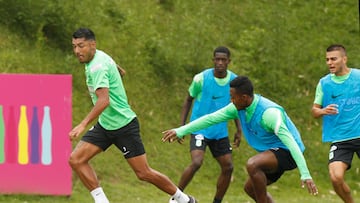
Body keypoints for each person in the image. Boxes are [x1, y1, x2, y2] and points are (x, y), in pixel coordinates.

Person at [68, 27, 197, 203]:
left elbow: (103, 101)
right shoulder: (99, 56)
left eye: (81, 46)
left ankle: (184, 199)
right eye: (74, 46)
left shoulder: (97, 67)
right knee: (76, 160)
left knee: (143, 173)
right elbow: (116, 69)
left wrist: (82, 125)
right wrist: (117, 70)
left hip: (124, 126)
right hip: (106, 125)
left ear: (92, 44)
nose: (77, 51)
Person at [163, 76, 318, 202]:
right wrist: (180, 130)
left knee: (253, 164)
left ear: (244, 97)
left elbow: (291, 142)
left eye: (233, 97)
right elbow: (210, 119)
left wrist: (305, 174)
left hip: (289, 152)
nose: (231, 101)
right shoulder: (238, 107)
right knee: (250, 189)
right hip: (274, 152)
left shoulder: (269, 114)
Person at [175, 46, 241, 203]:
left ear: (228, 62)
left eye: (223, 60)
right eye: (217, 59)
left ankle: (217, 201)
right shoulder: (201, 79)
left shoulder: (234, 81)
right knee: (197, 162)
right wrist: (182, 127)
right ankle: (176, 197)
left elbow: (236, 106)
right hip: (200, 129)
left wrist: (239, 129)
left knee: (228, 167)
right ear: (213, 60)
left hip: (219, 132)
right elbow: (188, 100)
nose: (219, 63)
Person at [311, 44, 360, 203]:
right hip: (340, 139)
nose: (330, 63)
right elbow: (314, 111)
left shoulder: (358, 77)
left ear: (344, 59)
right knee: (335, 178)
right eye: (327, 60)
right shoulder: (324, 83)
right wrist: (323, 110)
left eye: (333, 59)